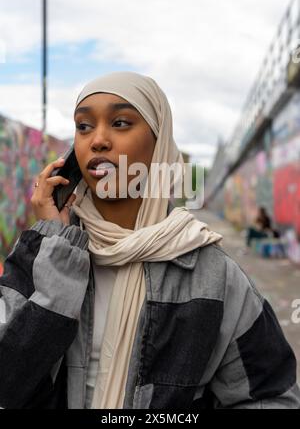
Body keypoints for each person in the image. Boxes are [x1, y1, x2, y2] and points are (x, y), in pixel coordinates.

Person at [0, 71, 299, 409]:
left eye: (121, 122)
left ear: (159, 144)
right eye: (83, 126)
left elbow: (273, 396)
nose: (97, 140)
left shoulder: (214, 276)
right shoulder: (38, 256)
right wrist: (57, 257)